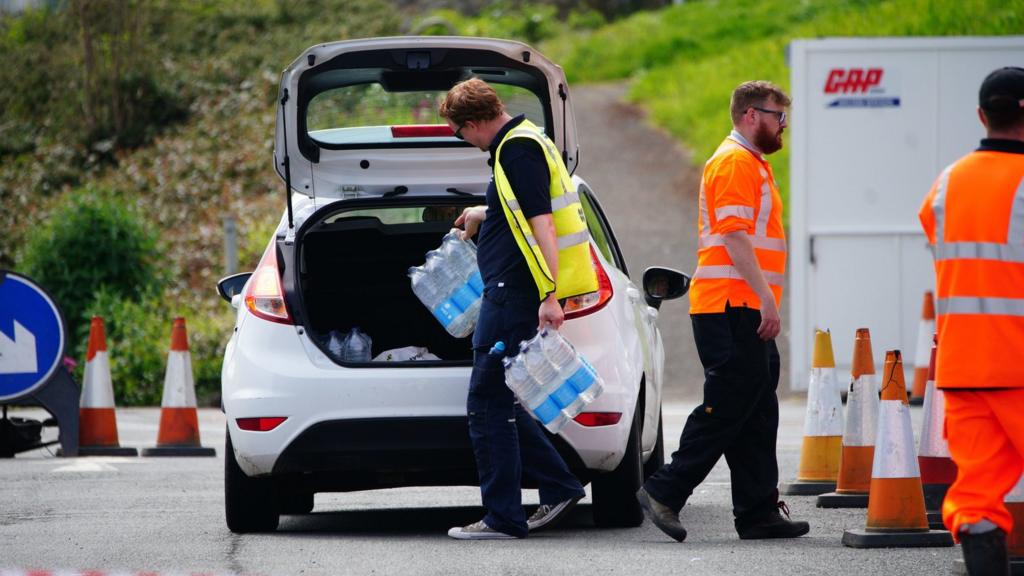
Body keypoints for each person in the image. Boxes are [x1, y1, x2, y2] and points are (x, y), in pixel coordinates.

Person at [636, 80, 809, 542]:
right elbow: (734, 237)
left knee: (757, 408)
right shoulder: (734, 162)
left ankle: (758, 511)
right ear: (751, 115)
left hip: (740, 304)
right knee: (731, 403)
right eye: (778, 116)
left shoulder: (751, 163)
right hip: (732, 305)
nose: (782, 125)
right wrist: (767, 299)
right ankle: (665, 490)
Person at [439, 78, 597, 540]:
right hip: (511, 290)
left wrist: (548, 295)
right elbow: (522, 207)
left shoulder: (516, 150)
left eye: (458, 133)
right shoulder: (525, 140)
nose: (462, 141)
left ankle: (503, 516)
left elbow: (542, 223)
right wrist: (482, 212)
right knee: (499, 398)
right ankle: (559, 484)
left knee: (485, 401)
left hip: (515, 293)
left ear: (472, 124)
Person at [918, 66, 1024, 576]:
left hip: (964, 370)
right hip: (1019, 365)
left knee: (978, 498)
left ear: (982, 115)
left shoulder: (946, 184)